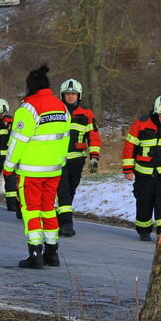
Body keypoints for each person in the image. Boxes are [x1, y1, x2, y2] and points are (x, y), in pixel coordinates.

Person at [3, 65, 70, 269]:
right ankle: (52, 253)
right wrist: (60, 162)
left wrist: (8, 166)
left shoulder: (28, 109)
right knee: (49, 209)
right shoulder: (61, 107)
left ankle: (35, 254)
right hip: (54, 169)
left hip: (30, 171)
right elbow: (65, 138)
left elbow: (17, 141)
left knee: (31, 211)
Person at [56, 78, 102, 237]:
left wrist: (94, 157)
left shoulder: (86, 113)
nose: (70, 97)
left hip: (77, 160)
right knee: (63, 191)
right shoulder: (56, 111)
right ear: (62, 95)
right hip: (58, 159)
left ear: (78, 95)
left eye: (73, 94)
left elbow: (94, 136)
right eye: (67, 94)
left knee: (71, 189)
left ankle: (59, 218)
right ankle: (67, 224)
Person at [121, 94, 161, 241]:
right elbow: (129, 147)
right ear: (155, 112)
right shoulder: (141, 123)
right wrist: (128, 169)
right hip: (143, 173)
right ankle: (144, 230)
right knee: (144, 202)